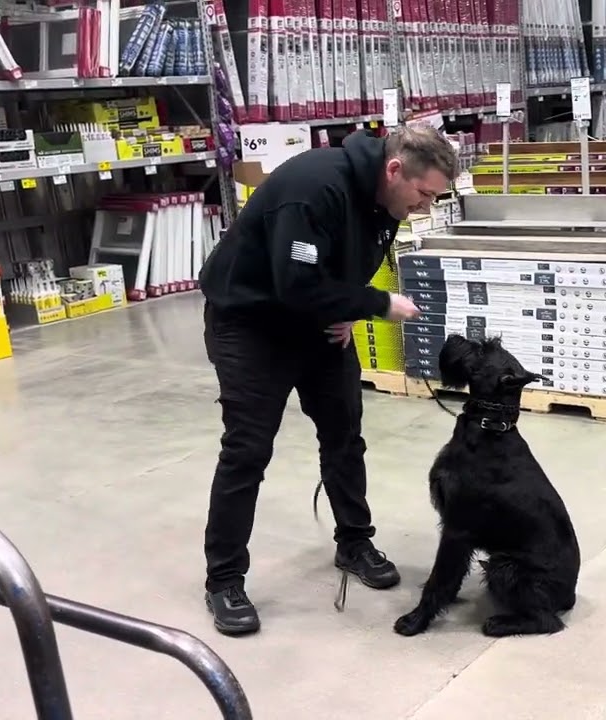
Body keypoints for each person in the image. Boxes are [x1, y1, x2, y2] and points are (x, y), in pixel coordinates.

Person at [196, 125, 458, 636]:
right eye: (424, 194)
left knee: (344, 436)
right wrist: (377, 305)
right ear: (394, 169)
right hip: (250, 325)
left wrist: (344, 308)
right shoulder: (314, 188)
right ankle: (223, 579)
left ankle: (354, 541)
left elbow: (333, 275)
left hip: (318, 324)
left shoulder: (386, 201)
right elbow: (297, 285)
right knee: (247, 450)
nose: (426, 206)